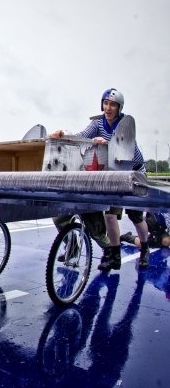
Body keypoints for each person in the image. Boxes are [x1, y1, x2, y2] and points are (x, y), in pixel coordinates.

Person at [48, 88, 150, 270]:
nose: (108, 108)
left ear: (119, 108)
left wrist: (110, 145)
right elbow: (81, 136)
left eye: (113, 104)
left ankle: (145, 249)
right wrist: (62, 134)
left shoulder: (124, 125)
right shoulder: (98, 123)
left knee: (136, 217)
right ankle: (114, 255)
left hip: (132, 172)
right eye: (106, 103)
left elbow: (132, 155)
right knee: (110, 215)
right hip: (112, 173)